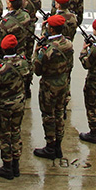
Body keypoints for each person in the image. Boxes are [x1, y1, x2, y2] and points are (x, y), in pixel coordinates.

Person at [0, 34, 30, 179]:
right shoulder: (23, 62)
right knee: (16, 131)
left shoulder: (0, 69)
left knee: (4, 135)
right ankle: (16, 164)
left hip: (4, 104)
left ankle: (7, 166)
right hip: (19, 102)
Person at [33, 14, 73, 159]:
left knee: (48, 116)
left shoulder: (46, 50)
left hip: (49, 85)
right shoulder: (68, 43)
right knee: (59, 113)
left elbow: (37, 70)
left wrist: (36, 51)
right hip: (62, 82)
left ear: (51, 29)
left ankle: (50, 146)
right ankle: (58, 145)